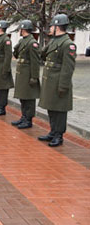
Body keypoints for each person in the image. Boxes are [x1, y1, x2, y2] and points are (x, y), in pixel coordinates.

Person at [38, 14, 76, 147]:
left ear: (57, 27)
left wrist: (63, 86)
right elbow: (43, 54)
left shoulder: (68, 44)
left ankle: (59, 135)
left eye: (52, 26)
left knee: (59, 110)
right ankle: (53, 131)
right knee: (51, 108)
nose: (50, 28)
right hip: (50, 81)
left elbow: (68, 68)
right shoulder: (54, 40)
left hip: (59, 81)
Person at [11, 20, 40, 129]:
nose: (19, 31)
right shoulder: (23, 41)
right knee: (23, 97)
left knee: (29, 98)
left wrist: (34, 77)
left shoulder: (32, 43)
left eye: (20, 29)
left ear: (23, 29)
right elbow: (17, 55)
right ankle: (23, 116)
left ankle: (28, 119)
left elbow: (35, 62)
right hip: (22, 73)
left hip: (28, 74)